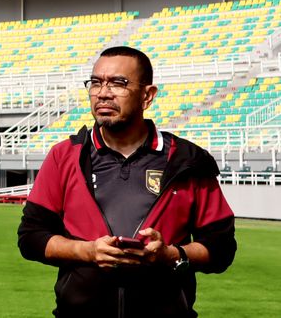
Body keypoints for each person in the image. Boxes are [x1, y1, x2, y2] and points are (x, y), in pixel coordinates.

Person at [17, 46, 236, 318]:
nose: (103, 92)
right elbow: (31, 238)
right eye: (96, 82)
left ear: (148, 95)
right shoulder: (64, 156)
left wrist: (170, 254)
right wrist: (87, 251)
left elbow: (221, 248)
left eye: (118, 83)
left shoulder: (188, 161)